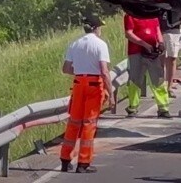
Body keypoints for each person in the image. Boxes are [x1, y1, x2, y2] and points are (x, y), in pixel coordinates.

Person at [59, 14, 114, 173]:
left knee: (74, 122)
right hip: (94, 85)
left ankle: (65, 160)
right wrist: (111, 94)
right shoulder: (100, 45)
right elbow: (104, 71)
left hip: (78, 84)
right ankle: (83, 163)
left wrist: (81, 71)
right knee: (89, 124)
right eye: (100, 27)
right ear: (96, 28)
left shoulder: (75, 44)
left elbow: (66, 69)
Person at [124, 12, 171, 118]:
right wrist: (144, 44)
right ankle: (133, 107)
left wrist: (161, 43)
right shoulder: (130, 15)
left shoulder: (153, 15)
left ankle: (163, 108)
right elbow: (128, 33)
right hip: (136, 52)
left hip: (152, 53)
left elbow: (157, 30)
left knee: (158, 80)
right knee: (135, 80)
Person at [159, 15, 181, 98]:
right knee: (160, 59)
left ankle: (169, 87)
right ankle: (160, 87)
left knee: (172, 58)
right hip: (159, 29)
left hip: (173, 29)